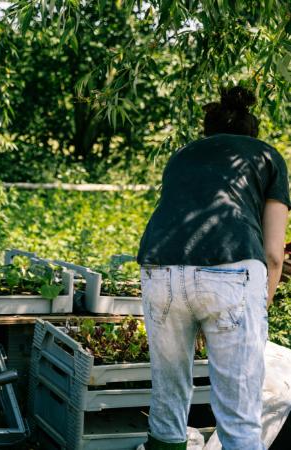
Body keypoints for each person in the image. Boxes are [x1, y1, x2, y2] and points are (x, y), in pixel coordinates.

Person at [136, 86, 290, 450]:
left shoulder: (181, 156)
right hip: (233, 272)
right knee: (239, 414)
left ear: (209, 131)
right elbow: (273, 253)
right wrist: (260, 305)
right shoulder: (268, 156)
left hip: (160, 268)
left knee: (168, 400)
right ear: (252, 132)